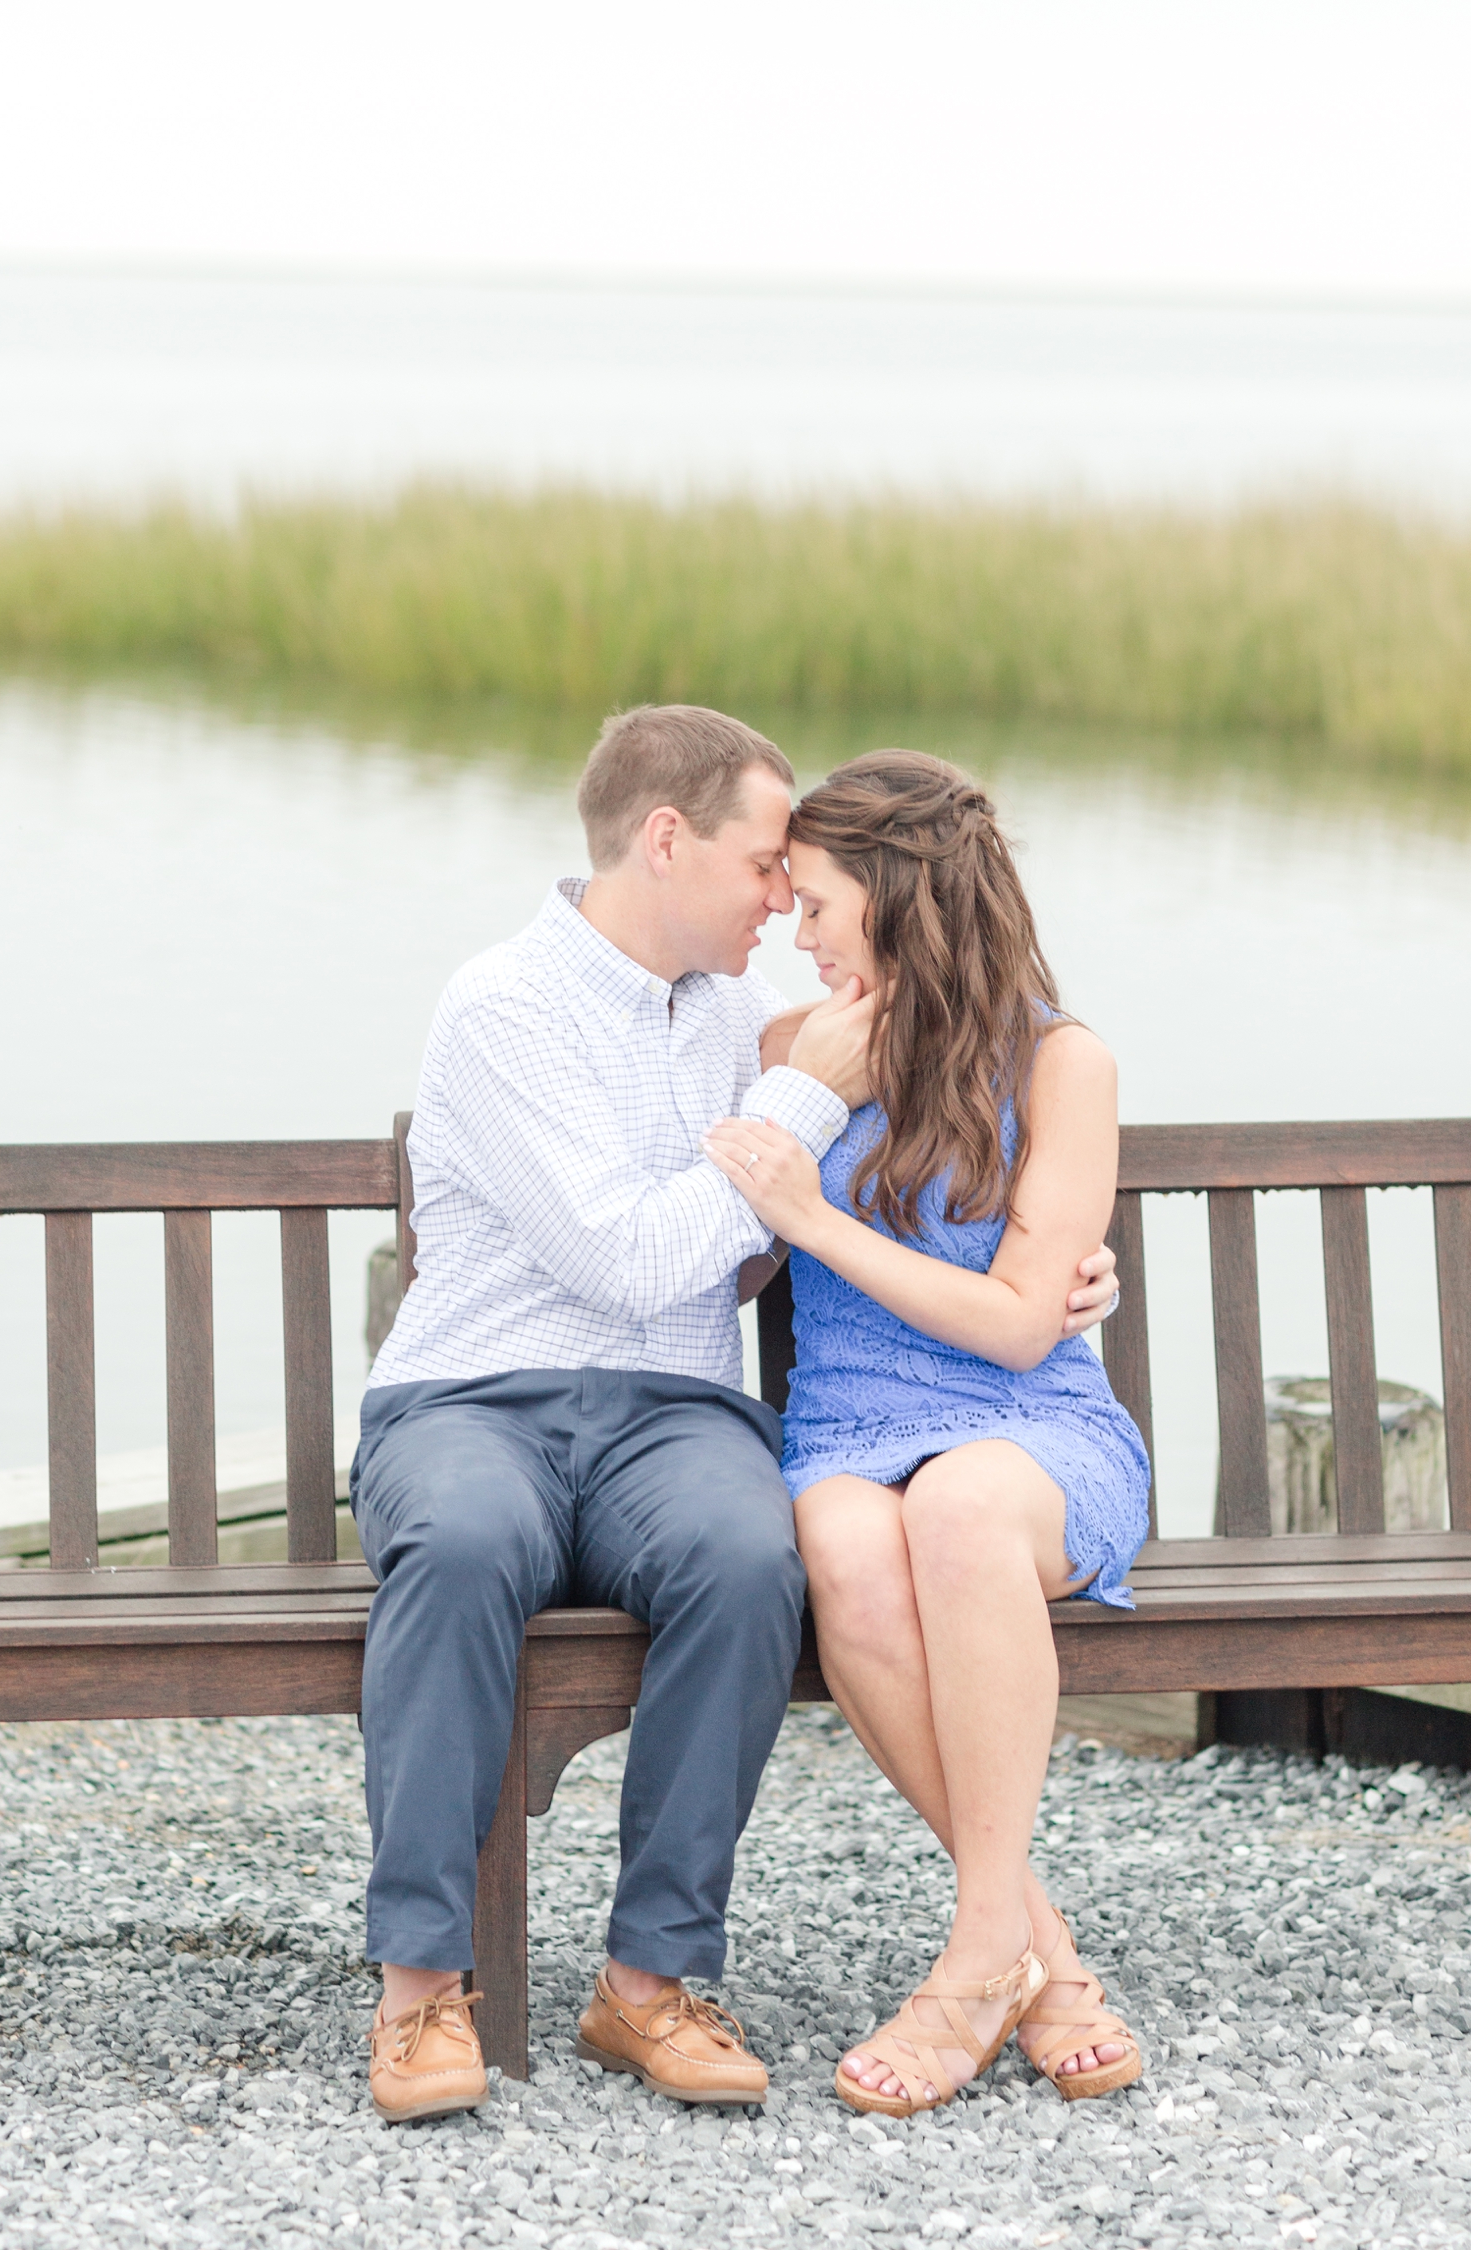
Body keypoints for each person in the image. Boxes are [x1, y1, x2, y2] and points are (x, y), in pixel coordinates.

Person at [353, 708, 1118, 2124]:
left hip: (673, 1408)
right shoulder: (503, 1005)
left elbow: (770, 1240)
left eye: (799, 881)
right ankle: (417, 1990)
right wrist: (801, 1094)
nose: (782, 899)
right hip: (474, 1394)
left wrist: (1061, 1268)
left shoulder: (737, 1021)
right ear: (666, 839)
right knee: (458, 1547)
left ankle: (650, 1981)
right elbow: (633, 1256)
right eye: (767, 863)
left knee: (746, 1557)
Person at [704, 750, 1149, 2119]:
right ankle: (1040, 1952)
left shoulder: (1061, 1061)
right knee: (842, 1542)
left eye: (821, 902)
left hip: (1025, 1424)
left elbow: (1023, 1323)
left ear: (900, 900)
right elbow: (711, 1251)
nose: (795, 927)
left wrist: (818, 1217)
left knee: (957, 1508)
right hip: (846, 1420)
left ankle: (971, 1964)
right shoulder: (790, 1049)